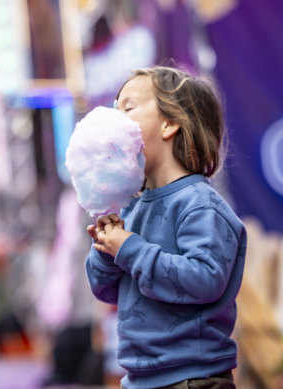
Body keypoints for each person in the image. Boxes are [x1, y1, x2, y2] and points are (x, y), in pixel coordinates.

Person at [85, 66, 246, 389]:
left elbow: (204, 280)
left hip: (192, 379)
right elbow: (105, 290)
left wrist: (128, 248)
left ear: (169, 123)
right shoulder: (132, 205)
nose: (114, 119)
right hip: (139, 378)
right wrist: (106, 251)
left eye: (127, 108)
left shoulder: (200, 204)